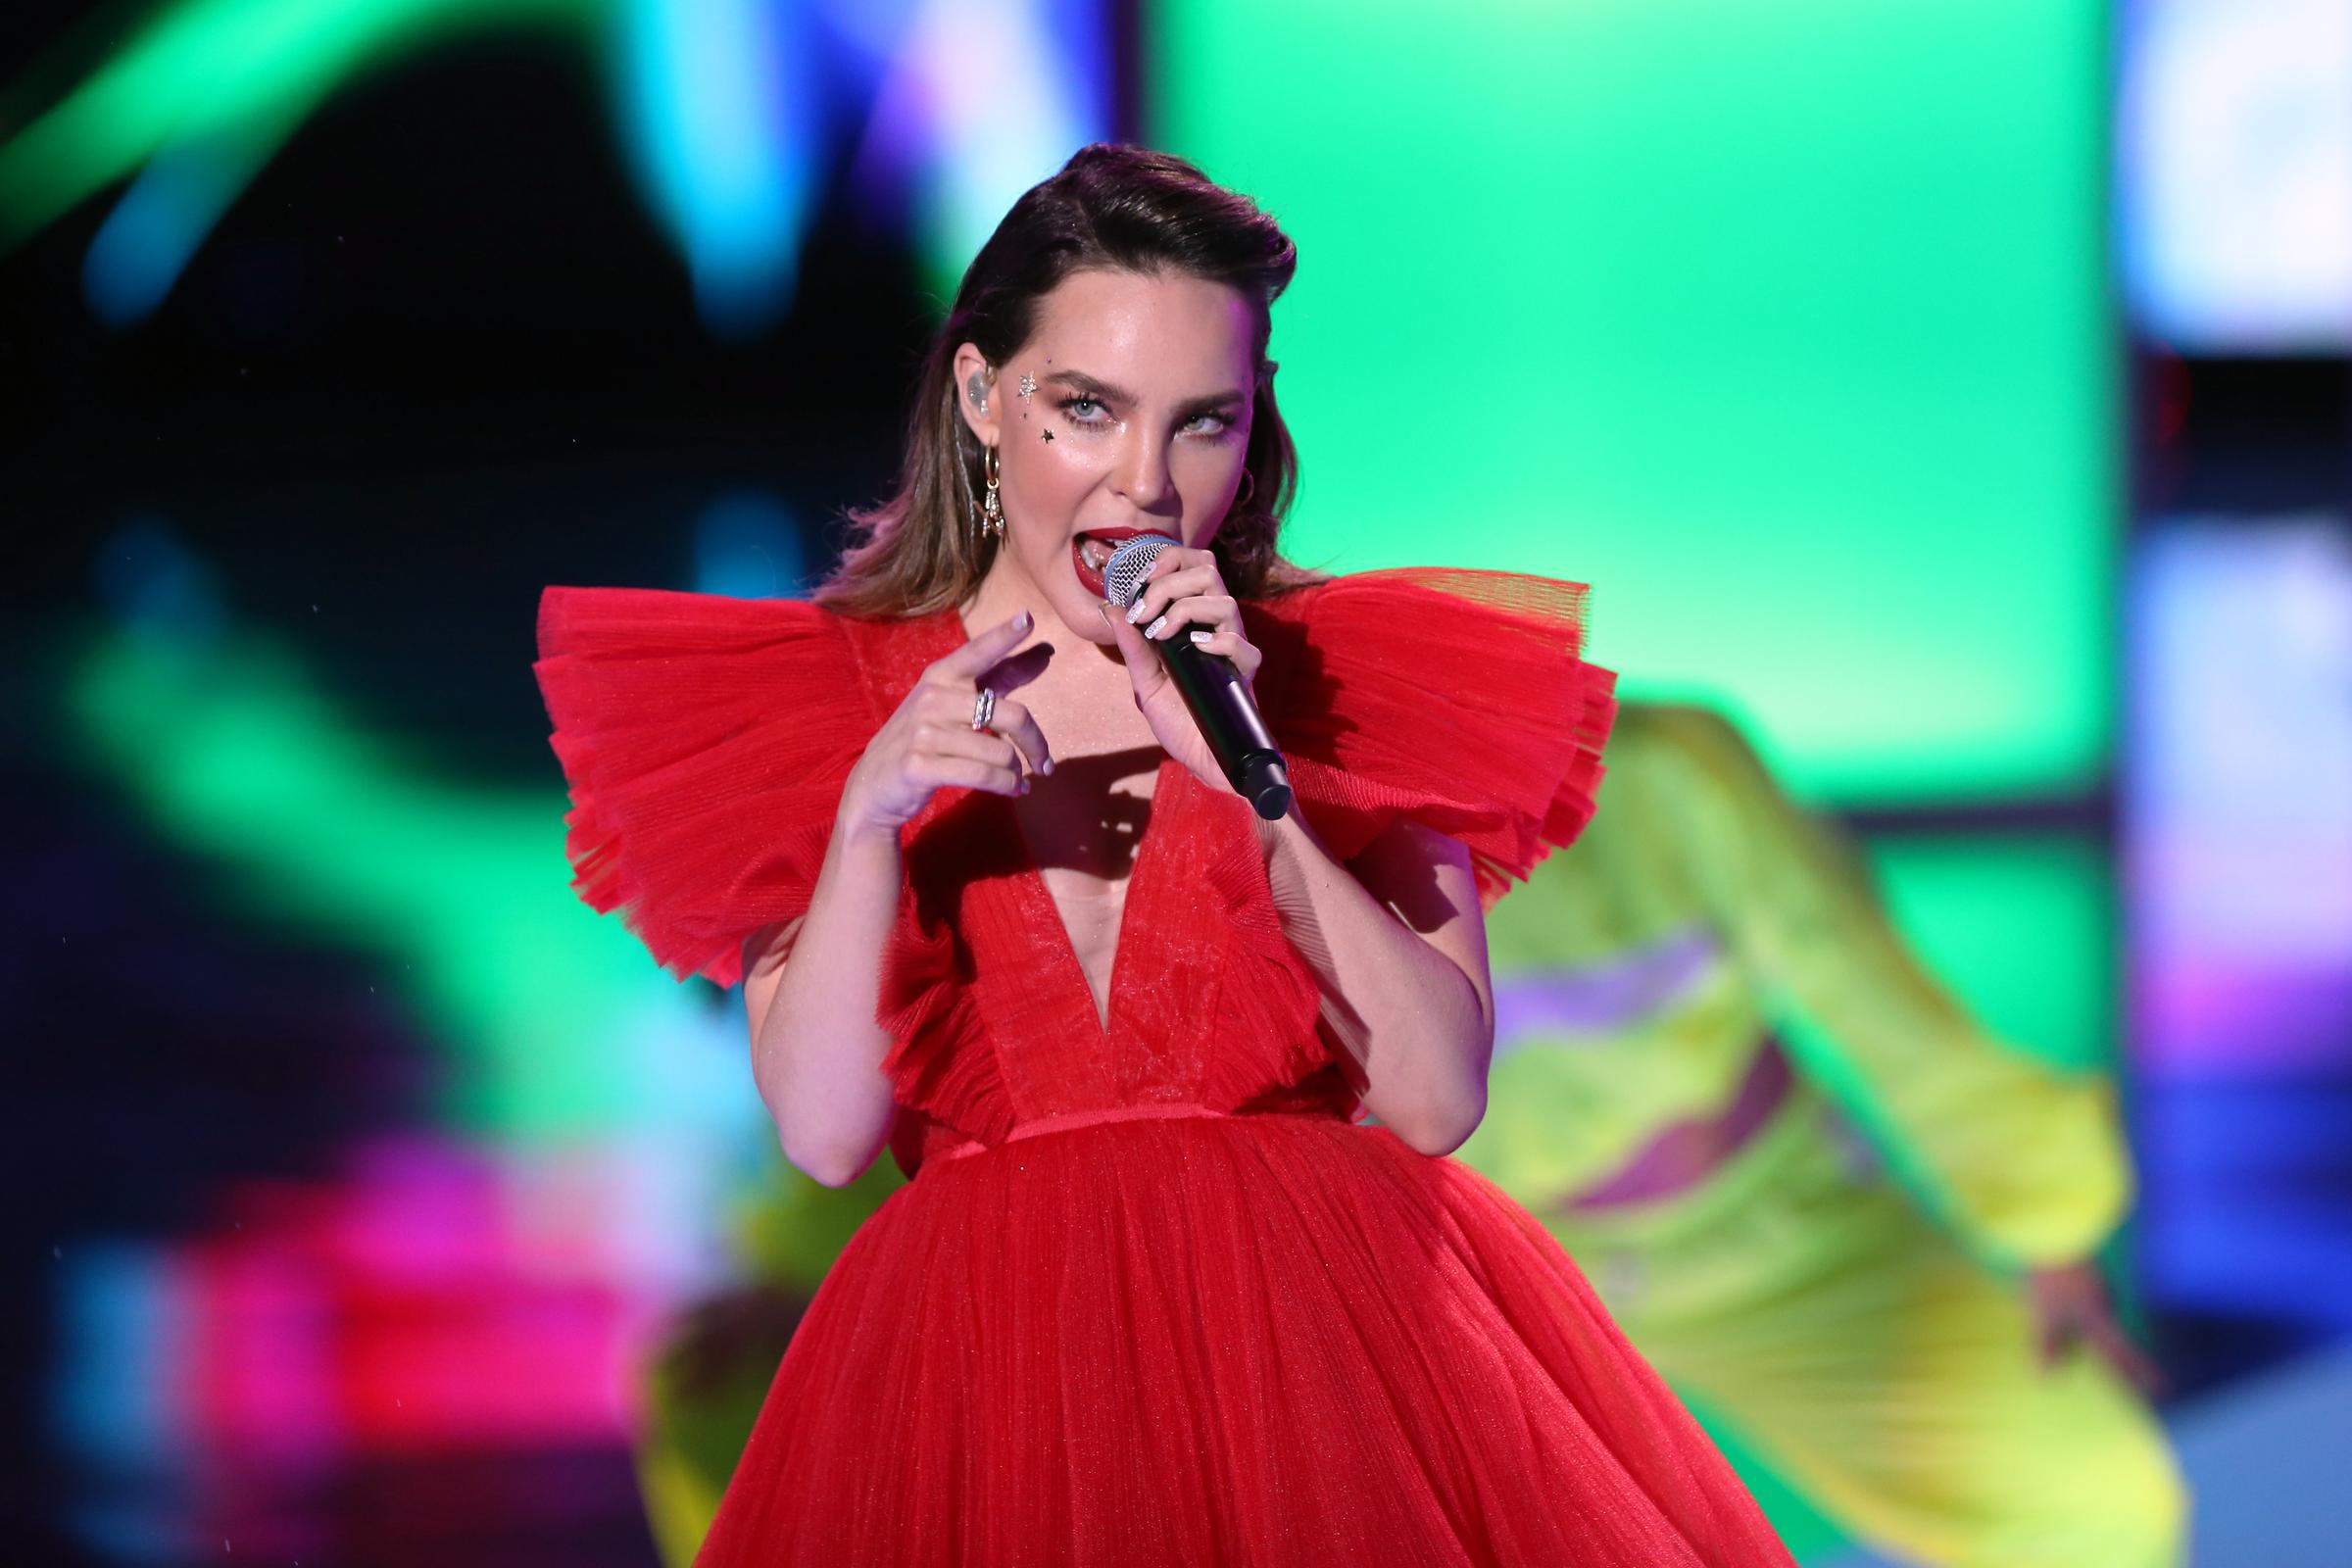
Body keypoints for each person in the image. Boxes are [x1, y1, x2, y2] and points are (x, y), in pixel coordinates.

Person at [535, 144, 1792, 1565]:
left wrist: (1259, 787)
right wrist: (868, 828)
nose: (1143, 483)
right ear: (978, 399)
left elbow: (1436, 1100)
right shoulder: (823, 712)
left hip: (1333, 1381)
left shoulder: (1339, 684)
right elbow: (825, 1137)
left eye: (1205, 423)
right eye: (1086, 409)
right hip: (986, 1385)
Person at [1462, 703, 2187, 1567]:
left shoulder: (1652, 765)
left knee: (2092, 1508)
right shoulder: (1287, 839)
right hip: (1499, 1300)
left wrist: (2046, 1215)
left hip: (1798, 1242)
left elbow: (1863, 986)